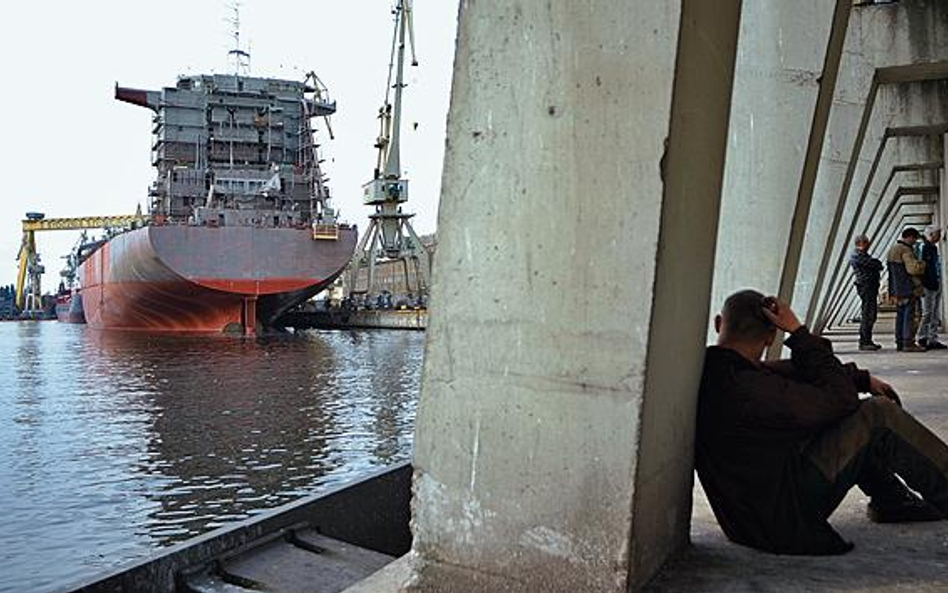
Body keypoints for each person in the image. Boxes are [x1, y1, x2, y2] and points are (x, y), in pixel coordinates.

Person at [695, 289, 948, 555]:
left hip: (751, 514)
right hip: (780, 519)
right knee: (876, 414)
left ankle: (893, 501)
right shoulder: (748, 387)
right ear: (771, 336)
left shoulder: (722, 371)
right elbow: (840, 399)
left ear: (718, 324)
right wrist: (798, 332)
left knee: (848, 418)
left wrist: (859, 378)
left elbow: (788, 372)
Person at [886, 228, 926, 352]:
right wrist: (922, 264)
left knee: (900, 316)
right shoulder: (905, 250)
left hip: (897, 289)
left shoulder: (893, 249)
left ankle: (900, 342)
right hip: (908, 288)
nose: (914, 242)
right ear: (909, 237)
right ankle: (908, 343)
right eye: (914, 239)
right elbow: (912, 269)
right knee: (911, 317)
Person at [849, 234, 882, 351]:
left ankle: (868, 340)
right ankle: (864, 341)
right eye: (867, 243)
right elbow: (876, 264)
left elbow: (876, 264)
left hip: (869, 287)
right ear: (862, 243)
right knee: (868, 314)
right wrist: (875, 263)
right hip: (866, 287)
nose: (869, 245)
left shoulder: (861, 255)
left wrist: (875, 264)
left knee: (871, 314)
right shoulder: (857, 256)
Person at [916, 226, 945, 350]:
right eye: (938, 234)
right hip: (928, 285)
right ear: (931, 235)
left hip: (936, 282)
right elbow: (923, 268)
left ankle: (933, 338)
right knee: (927, 313)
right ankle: (922, 337)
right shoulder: (925, 248)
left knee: (934, 313)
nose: (940, 237)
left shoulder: (933, 247)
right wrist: (925, 283)